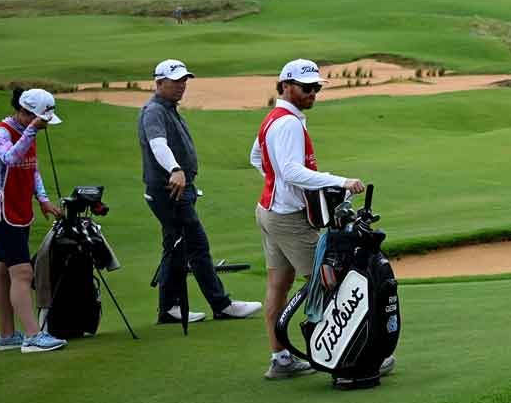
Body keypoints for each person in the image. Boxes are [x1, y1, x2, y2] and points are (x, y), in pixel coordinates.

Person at [248, 59, 364, 379]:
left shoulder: (276, 117)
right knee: (329, 281)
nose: (313, 93)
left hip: (269, 211)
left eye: (316, 87)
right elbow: (291, 171)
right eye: (306, 87)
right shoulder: (287, 123)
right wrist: (338, 182)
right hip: (287, 219)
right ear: (286, 86)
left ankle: (281, 359)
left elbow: (257, 158)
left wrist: (278, 183)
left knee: (278, 285)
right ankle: (347, 356)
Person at [139, 58, 262, 326]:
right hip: (169, 191)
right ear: (159, 82)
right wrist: (175, 169)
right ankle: (222, 304)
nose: (182, 85)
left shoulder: (168, 108)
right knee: (197, 247)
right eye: (176, 81)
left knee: (176, 247)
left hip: (179, 190)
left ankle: (169, 308)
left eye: (184, 80)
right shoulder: (154, 111)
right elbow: (158, 145)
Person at [0, 88, 68, 352]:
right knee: (22, 272)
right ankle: (33, 336)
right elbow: (10, 158)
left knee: (4, 272)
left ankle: (7, 337)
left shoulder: (26, 132)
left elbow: (31, 168)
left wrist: (42, 199)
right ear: (26, 113)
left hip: (19, 211)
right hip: (1, 213)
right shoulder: (1, 133)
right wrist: (32, 129)